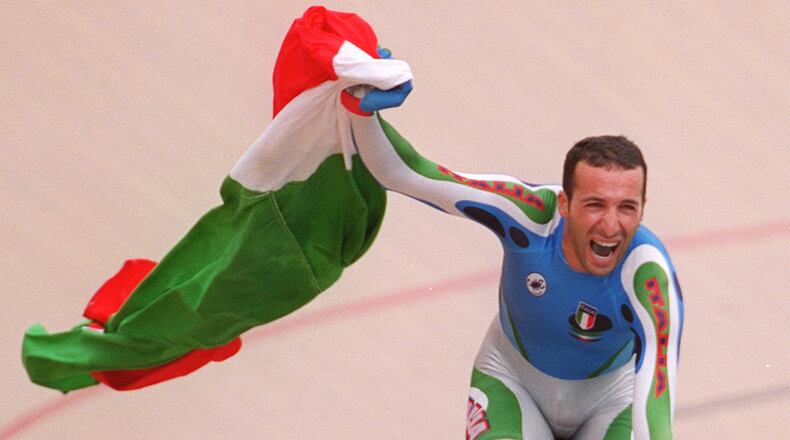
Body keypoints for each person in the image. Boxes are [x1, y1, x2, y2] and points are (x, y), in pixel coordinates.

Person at [348, 66, 683, 440]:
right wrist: (361, 110)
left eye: (626, 207)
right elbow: (405, 174)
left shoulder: (647, 274)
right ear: (564, 204)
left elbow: (657, 393)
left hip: (609, 401)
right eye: (594, 205)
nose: (610, 225)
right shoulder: (526, 215)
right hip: (513, 381)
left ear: (643, 206)